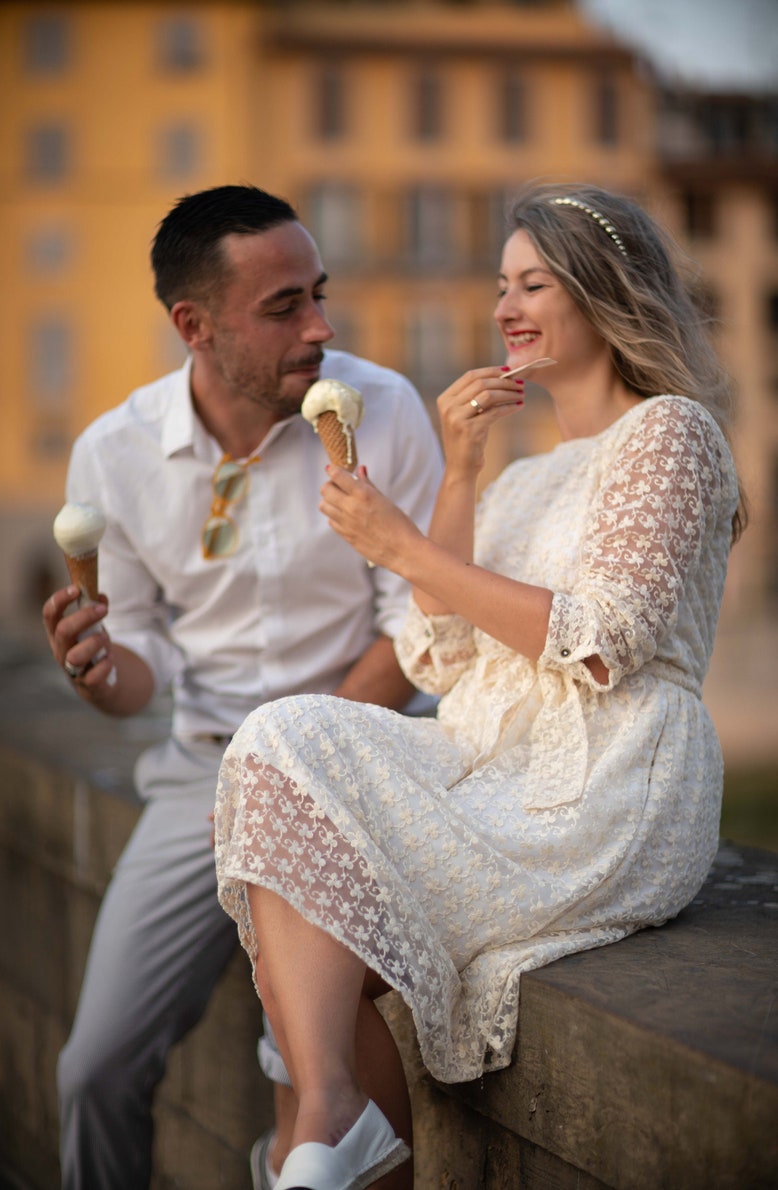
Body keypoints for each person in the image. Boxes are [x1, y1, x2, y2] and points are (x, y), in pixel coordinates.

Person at [213, 180, 745, 1190]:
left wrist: (403, 542)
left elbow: (600, 642)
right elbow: (437, 654)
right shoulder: (518, 475)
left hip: (604, 776)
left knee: (313, 950)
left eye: (532, 283)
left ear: (601, 293)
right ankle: (333, 1118)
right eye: (500, 284)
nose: (503, 307)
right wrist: (458, 473)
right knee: (279, 741)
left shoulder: (669, 434)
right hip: (480, 760)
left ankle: (315, 1123)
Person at [42, 183, 444, 1190]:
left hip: (368, 758)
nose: (320, 326)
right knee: (91, 1070)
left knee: (310, 1053)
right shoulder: (113, 453)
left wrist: (300, 752)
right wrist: (97, 671)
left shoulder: (385, 408)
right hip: (203, 777)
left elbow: (417, 624)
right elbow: (141, 672)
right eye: (282, 307)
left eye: (317, 292)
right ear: (194, 323)